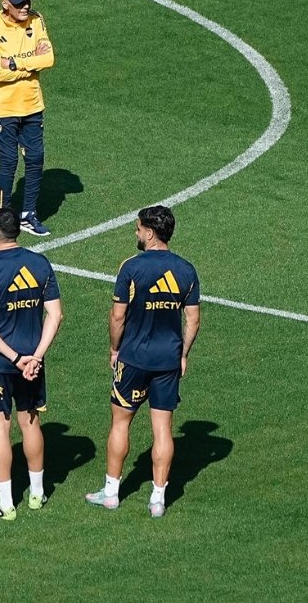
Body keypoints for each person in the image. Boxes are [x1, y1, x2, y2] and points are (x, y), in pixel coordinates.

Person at [86, 205, 200, 518]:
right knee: (163, 429)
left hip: (134, 358)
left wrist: (113, 348)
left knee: (121, 423)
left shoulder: (131, 267)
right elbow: (193, 320)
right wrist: (183, 354)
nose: (136, 233)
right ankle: (158, 500)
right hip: (167, 361)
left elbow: (117, 315)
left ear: (149, 232)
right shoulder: (186, 270)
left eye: (137, 228)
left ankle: (110, 493)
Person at [0, 207, 64, 520]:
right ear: (19, 232)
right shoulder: (40, 264)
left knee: (0, 426)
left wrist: (14, 358)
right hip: (33, 364)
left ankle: (7, 504)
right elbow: (56, 314)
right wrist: (35, 356)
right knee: (31, 422)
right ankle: (37, 494)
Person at [0, 0, 56, 236]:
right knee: (9, 161)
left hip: (32, 104)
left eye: (27, 1)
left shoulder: (37, 20)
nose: (25, 6)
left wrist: (13, 63)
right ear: (5, 5)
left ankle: (28, 215)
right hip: (3, 108)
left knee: (35, 158)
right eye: (18, 3)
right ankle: (2, 218)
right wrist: (30, 62)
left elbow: (49, 58)